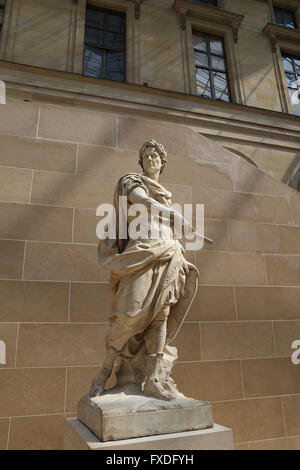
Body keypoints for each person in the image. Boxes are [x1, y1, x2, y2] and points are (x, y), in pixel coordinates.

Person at [88, 139, 211, 400]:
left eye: (156, 156)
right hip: (141, 250)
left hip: (168, 250)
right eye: (147, 156)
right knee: (127, 314)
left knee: (161, 314)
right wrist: (175, 216)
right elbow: (141, 202)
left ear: (163, 163)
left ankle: (154, 378)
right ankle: (104, 372)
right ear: (141, 162)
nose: (152, 159)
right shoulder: (131, 180)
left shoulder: (164, 193)